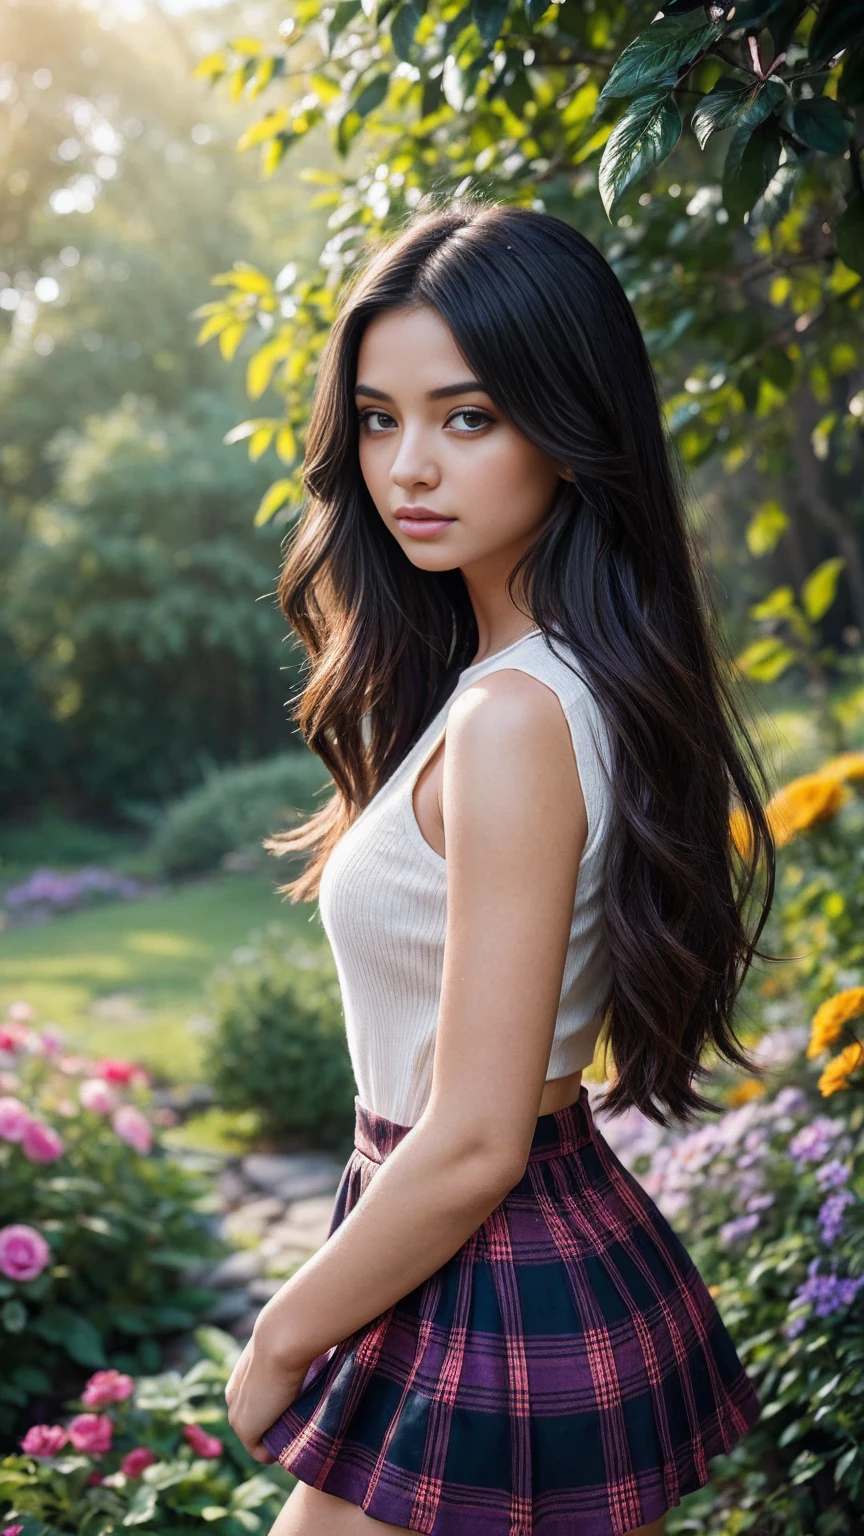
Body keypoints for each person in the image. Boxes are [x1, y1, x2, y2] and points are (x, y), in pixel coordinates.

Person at [224, 196, 775, 1536]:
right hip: (486, 1247)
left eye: (467, 417)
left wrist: (278, 1339)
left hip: (488, 1253)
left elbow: (471, 1137)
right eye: (376, 416)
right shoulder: (525, 685)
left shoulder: (517, 715)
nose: (408, 464)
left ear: (569, 431)